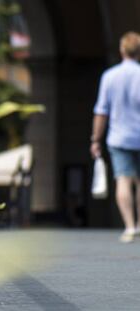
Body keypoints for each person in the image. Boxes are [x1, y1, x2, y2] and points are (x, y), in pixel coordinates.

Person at [91, 31, 140, 243]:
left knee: (122, 179)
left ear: (122, 50)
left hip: (118, 137)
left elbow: (102, 111)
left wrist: (95, 138)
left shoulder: (109, 76)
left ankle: (129, 226)